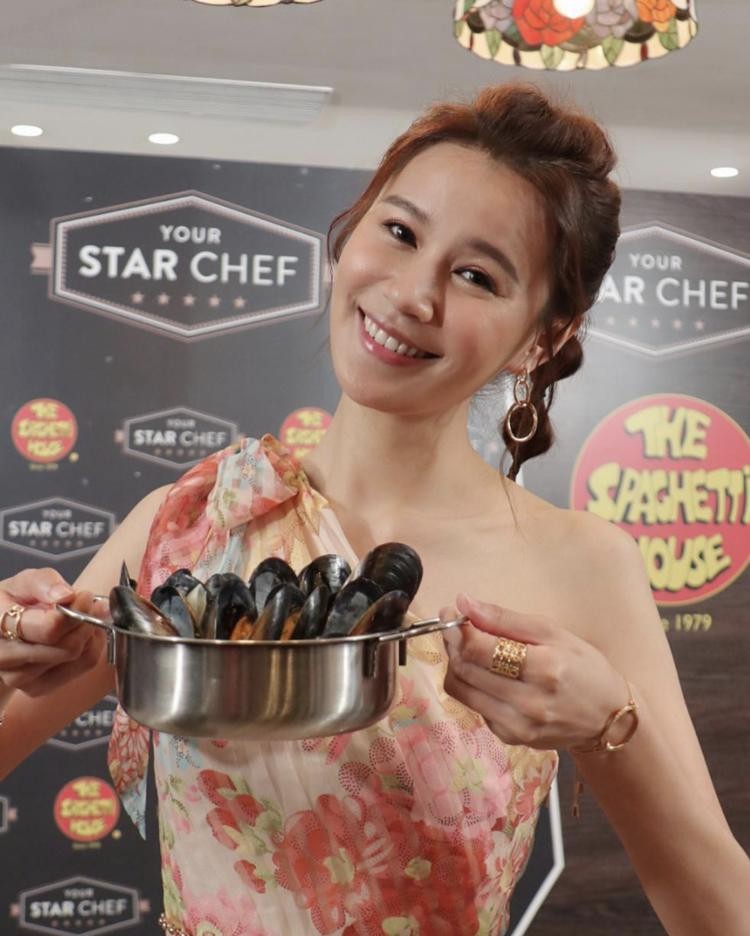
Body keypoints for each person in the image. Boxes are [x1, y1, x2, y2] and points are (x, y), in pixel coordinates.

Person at [0, 84, 748, 936]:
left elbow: (721, 915)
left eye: (476, 276)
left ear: (543, 337)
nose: (413, 294)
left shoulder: (580, 564)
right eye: (399, 232)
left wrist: (611, 727)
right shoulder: (196, 519)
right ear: (351, 233)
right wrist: (12, 645)